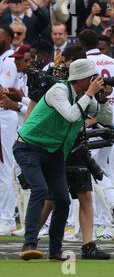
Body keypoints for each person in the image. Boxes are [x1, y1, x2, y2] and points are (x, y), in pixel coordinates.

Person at [12, 59, 108, 261]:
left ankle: (55, 251)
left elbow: (104, 117)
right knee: (40, 189)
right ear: (80, 79)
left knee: (63, 200)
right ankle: (29, 243)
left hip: (54, 152)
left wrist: (103, 98)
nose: (94, 81)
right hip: (29, 147)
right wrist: (90, 94)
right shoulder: (59, 90)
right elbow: (72, 116)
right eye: (91, 78)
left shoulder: (84, 95)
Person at [79, 29, 114, 240]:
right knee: (106, 171)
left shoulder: (83, 64)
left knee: (93, 173)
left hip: (88, 120)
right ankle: (110, 220)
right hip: (113, 122)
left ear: (82, 45)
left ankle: (109, 221)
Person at [0, 24, 18, 236]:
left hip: (6, 116)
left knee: (6, 167)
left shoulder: (10, 59)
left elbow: (2, 91)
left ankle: (7, 218)